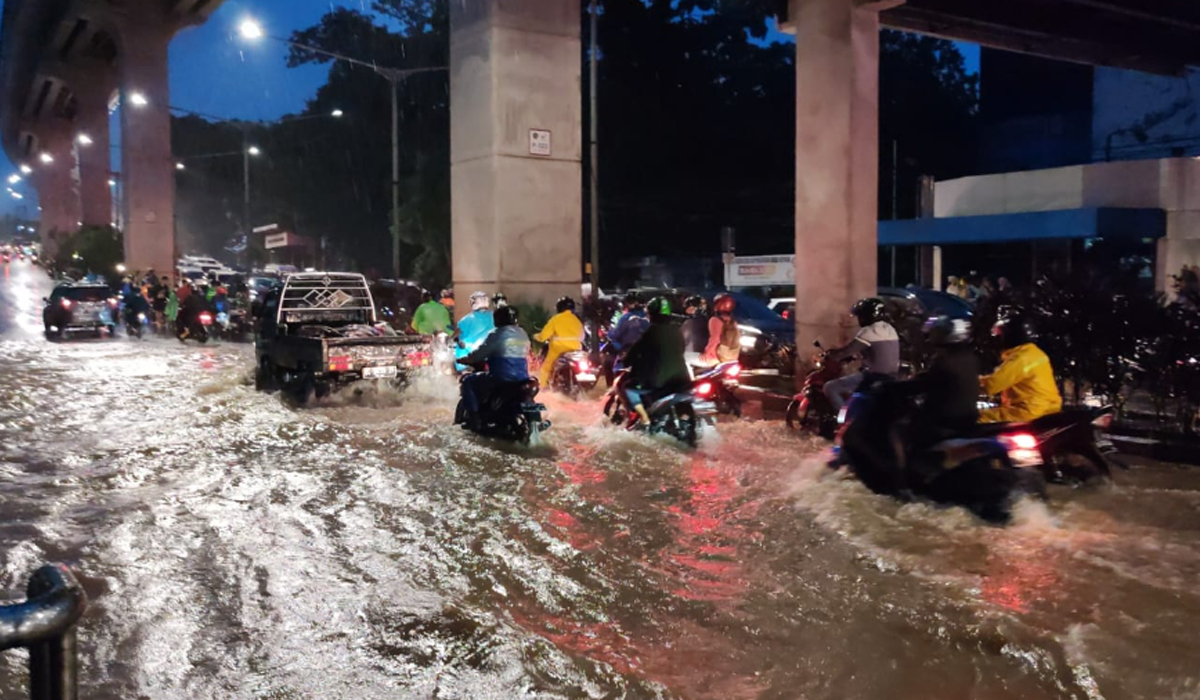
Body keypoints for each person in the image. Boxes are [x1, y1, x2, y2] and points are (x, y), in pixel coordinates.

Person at [901, 316, 980, 444]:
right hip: (967, 417)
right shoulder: (969, 357)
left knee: (904, 428)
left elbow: (923, 384)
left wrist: (895, 387)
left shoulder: (946, 361)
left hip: (946, 417)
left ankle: (904, 463)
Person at [980, 308, 1062, 423]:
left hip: (1026, 412)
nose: (996, 339)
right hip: (1047, 410)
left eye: (999, 334)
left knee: (975, 417)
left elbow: (992, 385)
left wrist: (963, 384)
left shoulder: (1021, 358)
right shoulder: (1035, 353)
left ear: (1010, 336)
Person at [623, 297, 691, 428]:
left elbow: (635, 352)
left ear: (652, 315)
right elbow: (681, 349)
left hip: (659, 380)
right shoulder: (677, 331)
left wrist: (627, 360)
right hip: (682, 379)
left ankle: (644, 418)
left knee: (628, 389)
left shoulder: (651, 332)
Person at [459, 305, 532, 429]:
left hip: (500, 377)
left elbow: (480, 353)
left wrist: (467, 359)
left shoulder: (497, 334)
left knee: (468, 381)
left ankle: (476, 419)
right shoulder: (522, 333)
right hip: (522, 378)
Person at [823, 297, 901, 411]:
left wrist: (832, 354)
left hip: (872, 377)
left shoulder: (868, 331)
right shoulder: (890, 329)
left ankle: (843, 420)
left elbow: (846, 351)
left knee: (830, 387)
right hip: (892, 376)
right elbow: (874, 351)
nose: (860, 319)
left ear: (868, 316)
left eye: (861, 316)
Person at [535, 296, 585, 385]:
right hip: (575, 350)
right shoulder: (576, 320)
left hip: (558, 350)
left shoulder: (556, 319)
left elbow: (543, 336)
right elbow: (582, 337)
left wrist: (536, 337)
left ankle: (543, 388)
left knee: (546, 368)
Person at [455, 291, 496, 370]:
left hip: (470, 354)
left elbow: (456, 333)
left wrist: (449, 339)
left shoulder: (467, 319)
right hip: (492, 355)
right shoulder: (494, 315)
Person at [702, 294, 741, 364]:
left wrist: (707, 353)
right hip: (731, 359)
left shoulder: (715, 320)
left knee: (686, 357)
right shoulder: (733, 322)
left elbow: (715, 339)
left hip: (714, 358)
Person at [681, 295, 710, 366]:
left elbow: (682, 341)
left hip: (697, 357)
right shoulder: (710, 321)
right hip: (709, 357)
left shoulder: (689, 323)